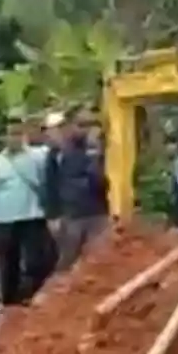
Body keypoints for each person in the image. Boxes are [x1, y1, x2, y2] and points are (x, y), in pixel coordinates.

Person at [0, 115, 53, 306]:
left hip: (32, 216)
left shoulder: (38, 156)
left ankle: (32, 296)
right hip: (4, 219)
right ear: (3, 138)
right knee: (8, 264)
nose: (15, 138)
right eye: (11, 134)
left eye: (18, 133)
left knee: (37, 261)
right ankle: (10, 303)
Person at [48, 107, 108, 272]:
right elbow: (50, 184)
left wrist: (95, 151)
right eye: (82, 124)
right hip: (71, 215)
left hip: (98, 212)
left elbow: (100, 180)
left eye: (92, 123)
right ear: (70, 126)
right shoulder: (59, 152)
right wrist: (53, 215)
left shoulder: (104, 149)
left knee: (98, 261)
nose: (87, 128)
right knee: (68, 261)